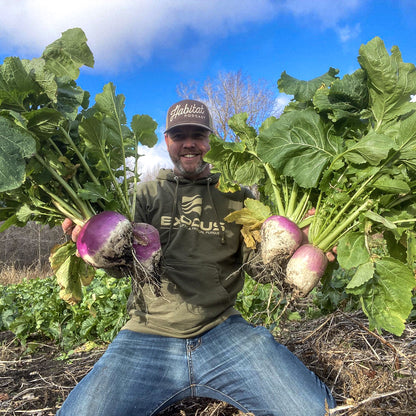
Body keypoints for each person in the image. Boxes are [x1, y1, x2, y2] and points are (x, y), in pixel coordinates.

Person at [57, 99, 336, 416]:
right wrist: (95, 245)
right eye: (179, 135)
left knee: (314, 409)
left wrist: (302, 252)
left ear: (211, 139)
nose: (189, 143)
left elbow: (261, 268)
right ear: (167, 142)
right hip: (145, 336)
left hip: (225, 334)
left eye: (198, 135)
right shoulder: (143, 196)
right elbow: (123, 263)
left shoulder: (238, 198)